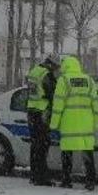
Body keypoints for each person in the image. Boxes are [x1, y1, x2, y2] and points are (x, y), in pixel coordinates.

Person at [49, 56, 98, 190]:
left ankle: (66, 180)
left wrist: (53, 124)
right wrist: (96, 122)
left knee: (67, 153)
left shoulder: (63, 80)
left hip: (69, 124)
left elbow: (58, 104)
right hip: (86, 124)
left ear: (65, 66)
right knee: (87, 153)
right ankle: (90, 181)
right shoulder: (89, 80)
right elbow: (95, 103)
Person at [25, 54, 60, 186]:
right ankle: (41, 177)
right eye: (55, 67)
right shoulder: (47, 74)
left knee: (35, 145)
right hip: (42, 113)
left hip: (31, 110)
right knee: (42, 145)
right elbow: (52, 94)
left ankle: (34, 175)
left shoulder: (34, 71)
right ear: (51, 64)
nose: (55, 70)